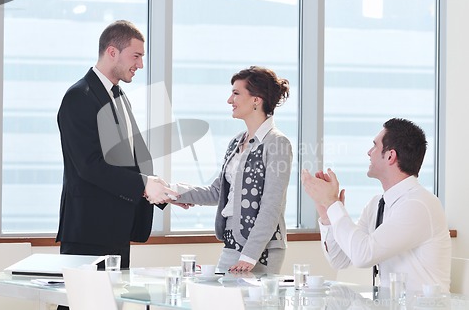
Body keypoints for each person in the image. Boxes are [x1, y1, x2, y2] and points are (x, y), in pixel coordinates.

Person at [56, 20, 179, 275]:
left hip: (117, 228)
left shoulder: (120, 96)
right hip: (89, 230)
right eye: (136, 56)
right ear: (112, 52)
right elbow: (90, 166)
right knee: (83, 303)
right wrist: (144, 184)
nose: (140, 65)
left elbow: (128, 160)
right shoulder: (79, 96)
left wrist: (160, 190)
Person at [150, 66, 293, 274]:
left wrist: (250, 255)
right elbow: (217, 192)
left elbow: (272, 206)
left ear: (256, 99)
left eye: (236, 93)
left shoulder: (278, 143)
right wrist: (170, 191)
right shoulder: (237, 141)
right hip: (232, 241)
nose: (229, 100)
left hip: (261, 248)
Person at [301, 118, 451, 292]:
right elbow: (339, 260)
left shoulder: (418, 205)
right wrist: (327, 214)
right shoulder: (377, 204)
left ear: (390, 156)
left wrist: (333, 203)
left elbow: (363, 255)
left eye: (374, 146)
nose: (368, 152)